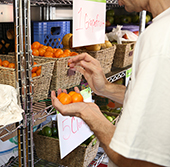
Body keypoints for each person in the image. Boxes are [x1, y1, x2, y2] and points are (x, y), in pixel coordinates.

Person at [51, 0, 170, 167]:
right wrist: (105, 88)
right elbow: (157, 102)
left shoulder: (160, 38)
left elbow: (138, 162)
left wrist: (89, 114)